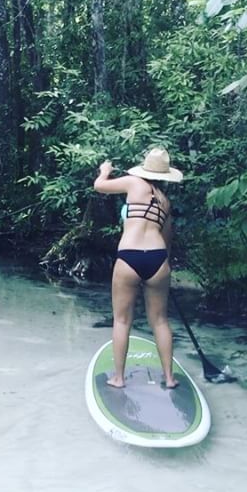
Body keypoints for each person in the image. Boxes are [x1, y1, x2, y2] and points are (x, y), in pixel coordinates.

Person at [93, 147, 183, 389]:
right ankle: (170, 378)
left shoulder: (134, 183)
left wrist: (105, 171)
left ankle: (119, 378)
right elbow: (166, 240)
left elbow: (99, 186)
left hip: (129, 256)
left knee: (122, 321)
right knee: (160, 321)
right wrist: (163, 271)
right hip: (158, 260)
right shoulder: (165, 202)